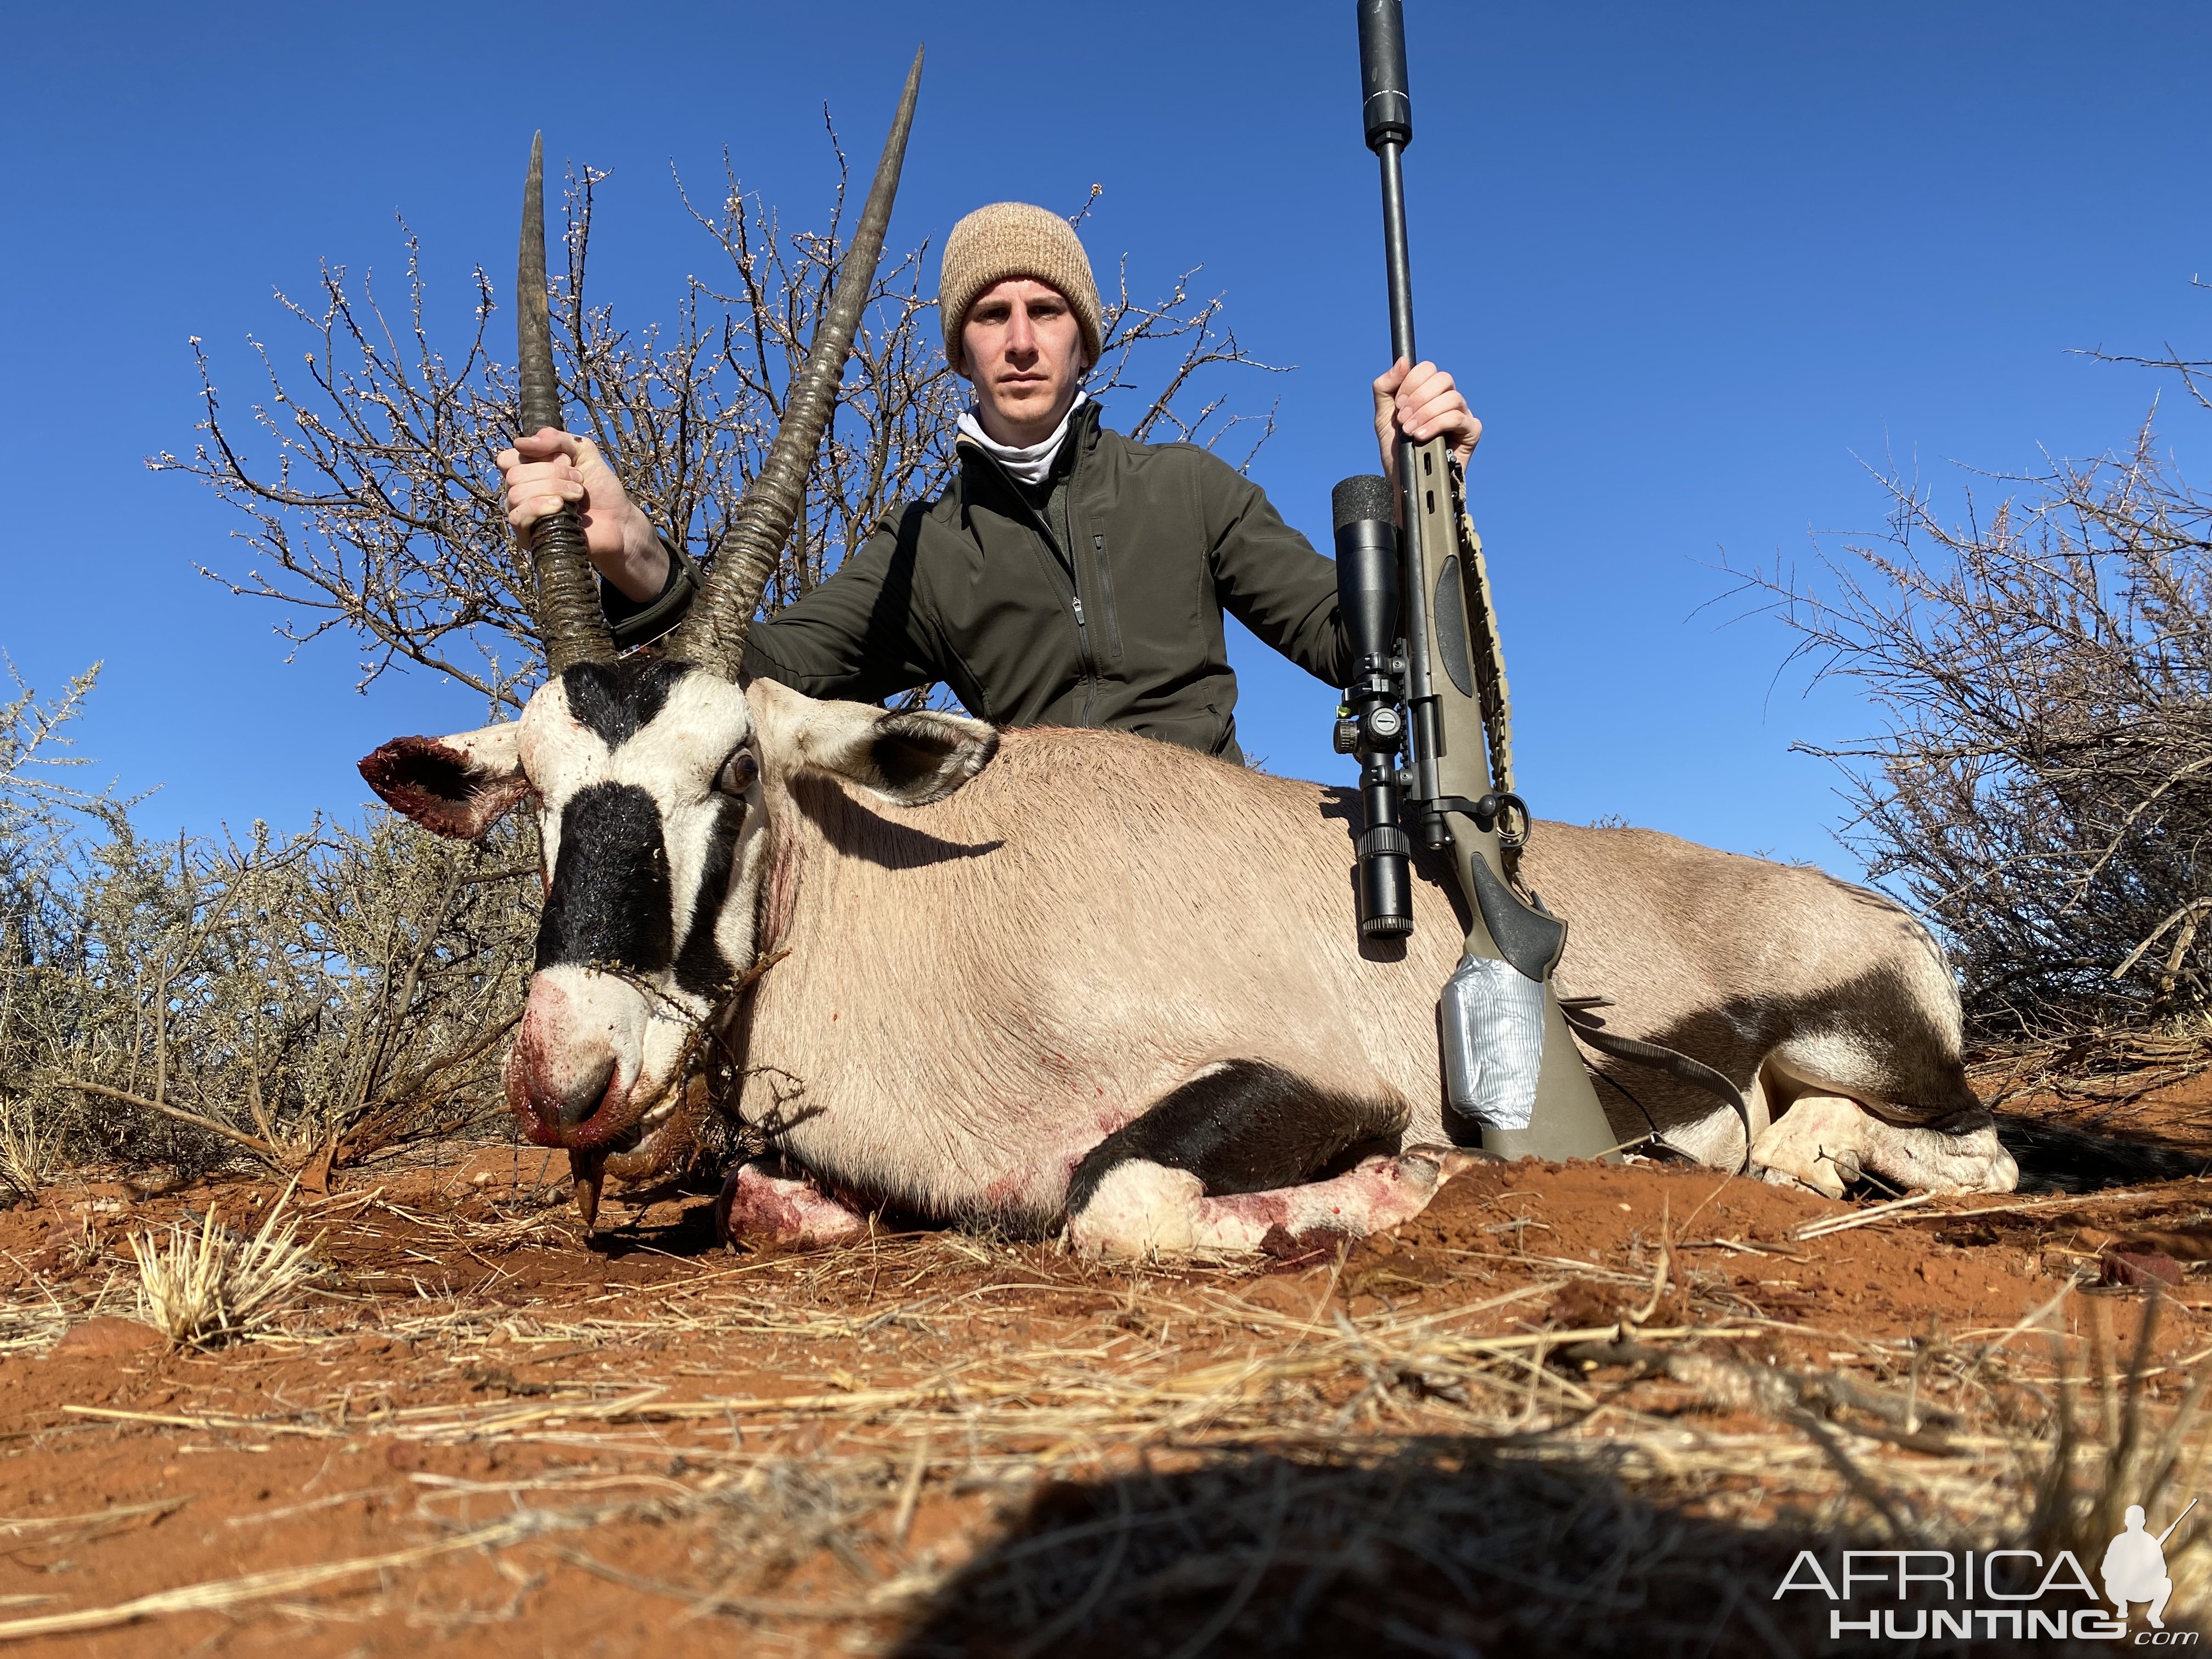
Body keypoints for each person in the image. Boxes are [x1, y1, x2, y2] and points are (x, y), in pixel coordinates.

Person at [497, 202, 1480, 763]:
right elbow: (761, 666)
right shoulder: (924, 547)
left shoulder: (1191, 489)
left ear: (1083, 342)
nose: (1019, 339)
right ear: (960, 351)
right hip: (1044, 867)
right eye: (992, 315)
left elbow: (1359, 647)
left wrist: (1418, 504)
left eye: (1047, 311)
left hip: (1220, 836)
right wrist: (634, 557)